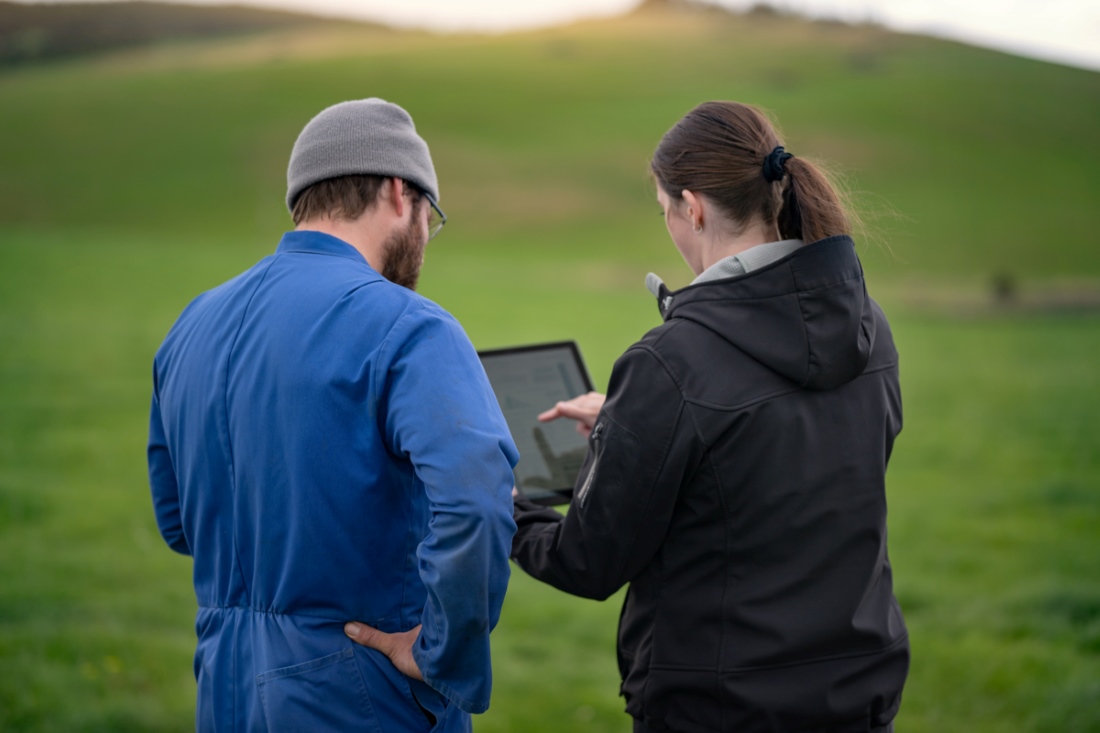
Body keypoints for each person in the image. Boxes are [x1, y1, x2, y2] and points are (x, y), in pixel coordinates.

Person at [510, 101, 909, 733]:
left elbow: (584, 562)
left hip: (717, 711)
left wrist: (505, 499)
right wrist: (631, 430)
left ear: (691, 207)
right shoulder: (869, 329)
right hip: (858, 697)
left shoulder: (672, 363)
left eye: (666, 211)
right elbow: (776, 467)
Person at [148, 98, 518, 732]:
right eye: (432, 216)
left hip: (224, 687)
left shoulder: (192, 323)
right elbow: (479, 501)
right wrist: (441, 653)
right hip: (361, 694)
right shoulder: (409, 324)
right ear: (402, 194)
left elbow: (179, 523)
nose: (427, 235)